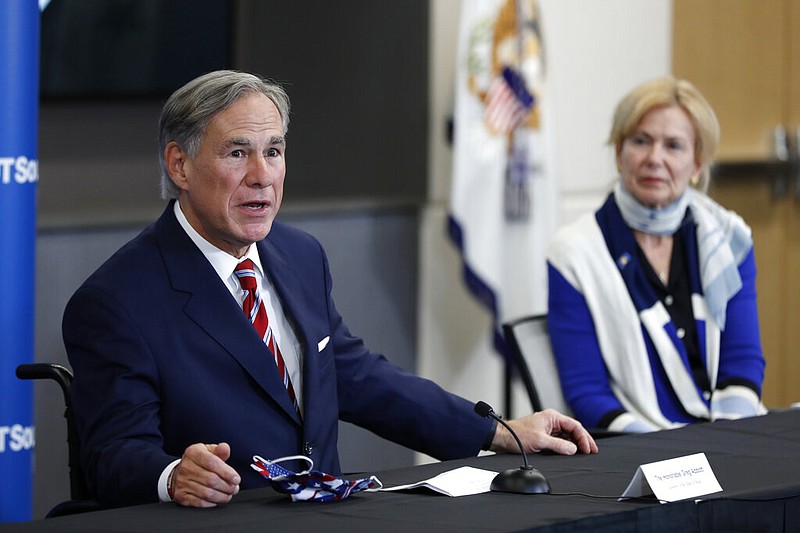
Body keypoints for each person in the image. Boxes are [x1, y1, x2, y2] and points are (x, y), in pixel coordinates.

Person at [63, 70, 597, 509]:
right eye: (237, 154)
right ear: (180, 165)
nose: (262, 176)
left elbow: (356, 376)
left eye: (274, 152)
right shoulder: (116, 301)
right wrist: (172, 475)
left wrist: (498, 432)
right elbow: (113, 453)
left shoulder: (299, 256)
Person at [546, 76, 768, 433]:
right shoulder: (574, 253)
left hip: (729, 434)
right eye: (641, 141)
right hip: (638, 445)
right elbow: (587, 393)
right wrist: (669, 455)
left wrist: (730, 443)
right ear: (618, 153)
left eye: (674, 146)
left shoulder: (730, 239)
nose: (655, 158)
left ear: (697, 164)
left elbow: (741, 362)